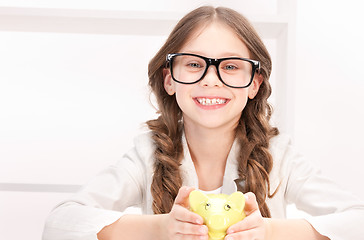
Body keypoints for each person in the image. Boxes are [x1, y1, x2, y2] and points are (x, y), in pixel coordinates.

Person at [42, 6, 364, 240]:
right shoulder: (147, 155)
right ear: (169, 79)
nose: (211, 81)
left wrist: (269, 232)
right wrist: (160, 228)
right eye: (195, 64)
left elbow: (358, 222)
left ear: (254, 83)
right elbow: (60, 224)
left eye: (231, 66)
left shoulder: (279, 155)